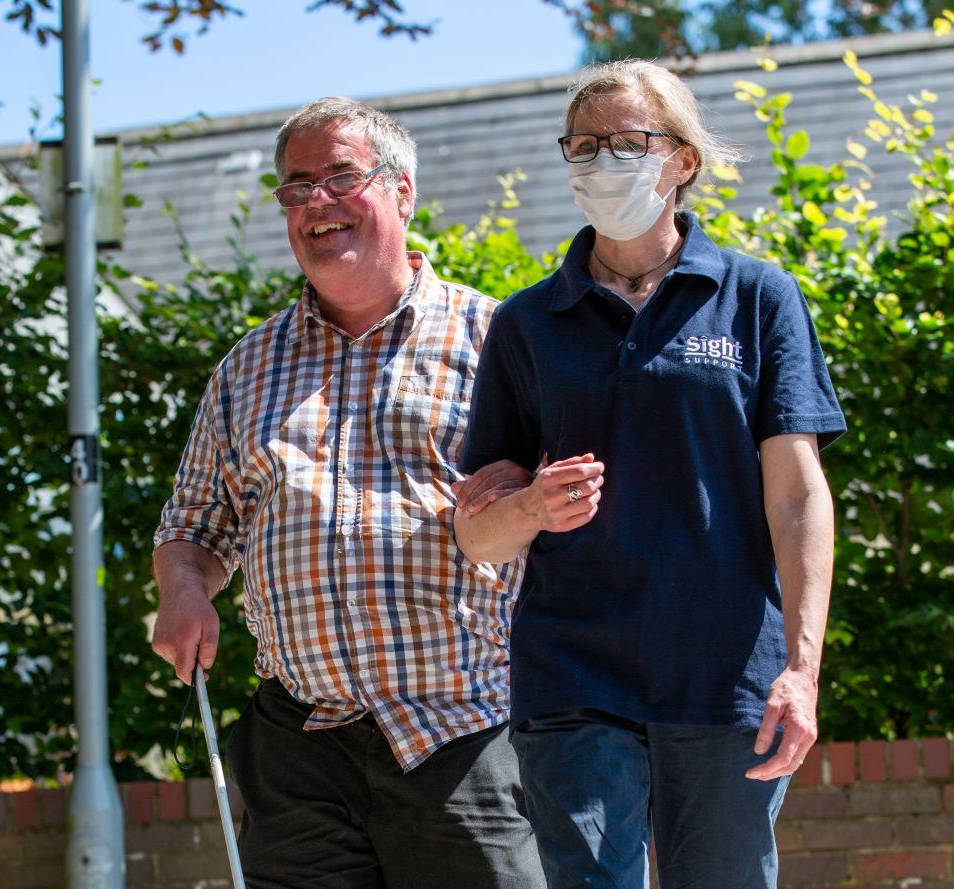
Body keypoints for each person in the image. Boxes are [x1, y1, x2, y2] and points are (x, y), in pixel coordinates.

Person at [151, 96, 569, 889]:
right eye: (295, 186)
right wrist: (183, 590)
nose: (315, 201)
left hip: (463, 730)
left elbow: (570, 524)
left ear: (403, 191)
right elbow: (195, 530)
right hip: (299, 745)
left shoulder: (499, 340)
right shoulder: (247, 368)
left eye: (340, 177)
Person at [453, 60, 846, 889]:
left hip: (725, 670)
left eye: (628, 143)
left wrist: (801, 669)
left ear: (684, 160)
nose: (602, 163)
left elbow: (798, 494)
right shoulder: (527, 322)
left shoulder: (756, 297)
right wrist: (529, 506)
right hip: (574, 675)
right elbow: (478, 533)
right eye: (584, 146)